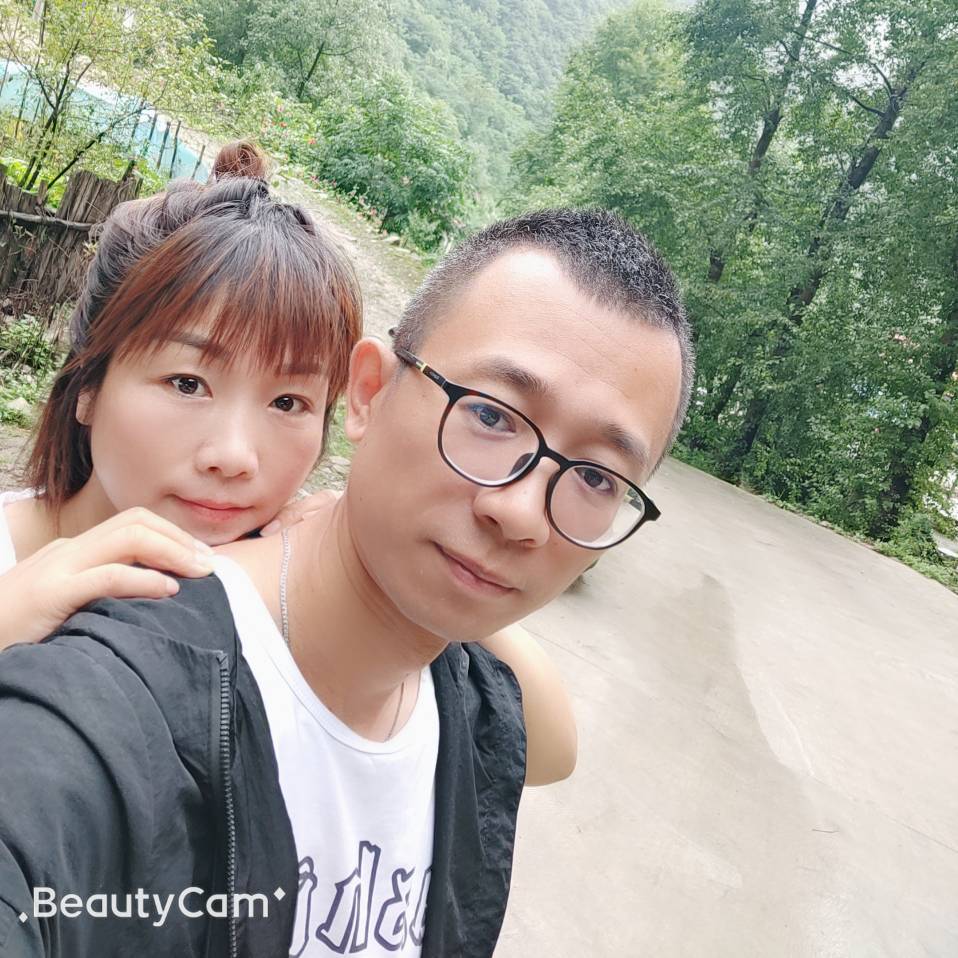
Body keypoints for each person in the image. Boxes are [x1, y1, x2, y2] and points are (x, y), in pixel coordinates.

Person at [0, 208, 691, 957]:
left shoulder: (438, 690)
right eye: (491, 415)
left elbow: (543, 741)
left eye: (597, 476)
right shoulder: (103, 692)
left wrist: (458, 586)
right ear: (371, 393)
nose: (235, 455)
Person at [0, 140, 575, 792]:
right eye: (188, 383)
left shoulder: (277, 594)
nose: (234, 456)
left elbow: (548, 749)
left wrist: (363, 544)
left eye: (287, 402)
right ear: (88, 386)